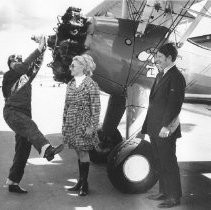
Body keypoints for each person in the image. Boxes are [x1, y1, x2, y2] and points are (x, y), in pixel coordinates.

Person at [2, 35, 63, 194]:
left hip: (22, 115)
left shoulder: (26, 77)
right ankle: (47, 150)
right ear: (10, 65)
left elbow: (34, 66)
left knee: (23, 149)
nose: (17, 62)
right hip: (12, 112)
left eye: (18, 60)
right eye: (13, 61)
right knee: (31, 127)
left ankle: (13, 182)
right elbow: (24, 67)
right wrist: (37, 48)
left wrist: (42, 49)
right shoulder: (9, 76)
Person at [141, 43, 186, 208]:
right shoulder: (161, 75)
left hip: (165, 129)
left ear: (169, 58)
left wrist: (166, 126)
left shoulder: (176, 77)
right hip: (155, 127)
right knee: (159, 160)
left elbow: (174, 105)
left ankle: (174, 197)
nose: (156, 59)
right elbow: (154, 102)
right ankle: (163, 192)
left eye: (160, 57)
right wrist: (148, 126)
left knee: (168, 162)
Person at [62, 54, 101, 196]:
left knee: (84, 152)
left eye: (73, 65)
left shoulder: (91, 84)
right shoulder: (71, 84)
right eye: (70, 64)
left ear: (83, 68)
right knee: (78, 152)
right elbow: (66, 106)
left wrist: (92, 126)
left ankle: (85, 185)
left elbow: (96, 108)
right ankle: (80, 181)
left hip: (84, 124)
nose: (70, 67)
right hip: (72, 123)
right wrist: (64, 124)